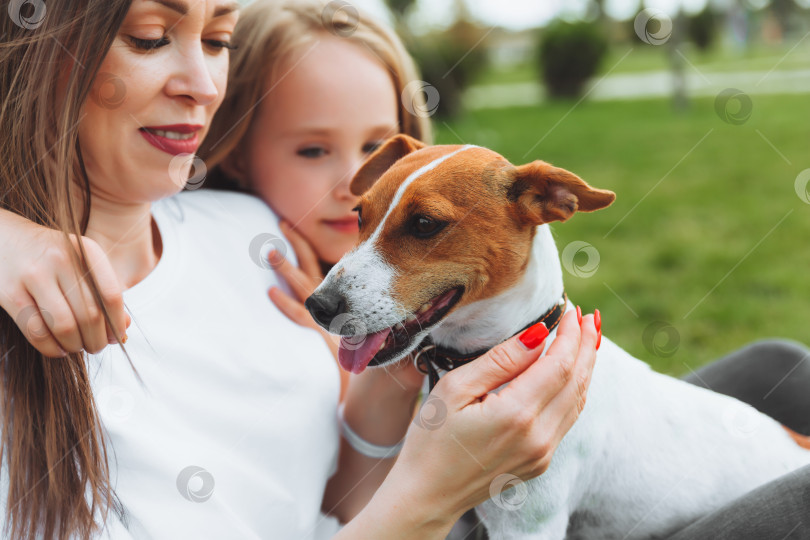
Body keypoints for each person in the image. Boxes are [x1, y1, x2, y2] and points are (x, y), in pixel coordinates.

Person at [0, 1, 599, 538]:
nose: (203, 85)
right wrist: (429, 498)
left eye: (217, 40)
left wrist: (387, 358)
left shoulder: (254, 231)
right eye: (151, 37)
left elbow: (334, 494)